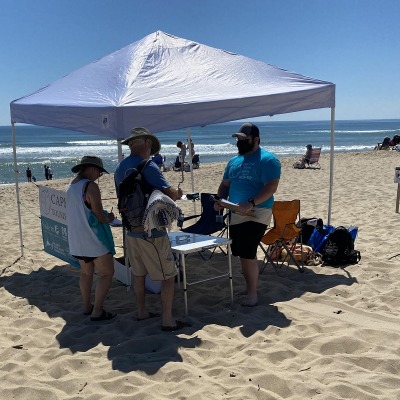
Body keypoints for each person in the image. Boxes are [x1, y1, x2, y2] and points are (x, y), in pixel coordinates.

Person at [115, 127, 189, 331]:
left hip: (131, 230)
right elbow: (169, 194)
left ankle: (141, 312)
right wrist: (177, 192)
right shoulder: (147, 165)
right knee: (168, 274)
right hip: (152, 231)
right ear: (147, 143)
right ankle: (167, 320)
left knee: (138, 273)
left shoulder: (120, 168)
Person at [214, 123, 281, 307]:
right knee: (240, 253)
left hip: (257, 212)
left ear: (256, 139)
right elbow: (225, 184)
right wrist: (219, 200)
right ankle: (249, 287)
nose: (240, 143)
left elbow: (271, 187)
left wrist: (251, 202)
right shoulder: (234, 161)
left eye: (244, 139)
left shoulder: (268, 160)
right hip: (235, 212)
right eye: (238, 139)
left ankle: (253, 294)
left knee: (248, 251)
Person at [66, 155, 116, 321]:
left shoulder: (71, 186)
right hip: (93, 239)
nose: (99, 176)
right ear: (92, 169)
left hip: (76, 239)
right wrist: (109, 218)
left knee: (86, 273)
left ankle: (87, 306)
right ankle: (97, 311)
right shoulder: (90, 186)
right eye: (99, 173)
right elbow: (99, 216)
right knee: (106, 273)